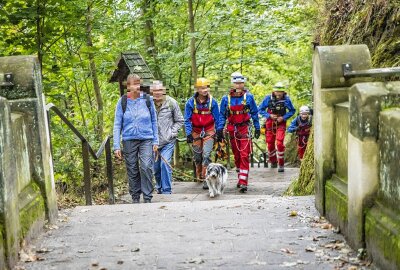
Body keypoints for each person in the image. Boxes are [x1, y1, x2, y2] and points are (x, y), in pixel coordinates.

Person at [113, 74, 159, 203]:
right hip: (128, 139)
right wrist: (116, 145)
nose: (137, 86)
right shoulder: (122, 102)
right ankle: (135, 196)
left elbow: (154, 121)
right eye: (134, 84)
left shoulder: (148, 100)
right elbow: (117, 124)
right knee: (132, 168)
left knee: (146, 166)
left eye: (138, 83)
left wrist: (156, 141)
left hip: (146, 139)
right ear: (128, 86)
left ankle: (148, 196)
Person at [217, 72, 260, 193]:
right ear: (233, 83)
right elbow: (222, 115)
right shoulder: (226, 99)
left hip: (244, 128)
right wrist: (220, 129)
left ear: (243, 83)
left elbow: (254, 113)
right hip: (232, 129)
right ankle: (240, 177)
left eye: (240, 82)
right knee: (237, 156)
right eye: (236, 82)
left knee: (244, 155)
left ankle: (243, 182)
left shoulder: (249, 97)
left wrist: (257, 127)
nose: (239, 85)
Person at [184, 78, 219, 189]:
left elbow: (217, 119)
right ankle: (199, 174)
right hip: (196, 132)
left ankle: (206, 178)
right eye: (203, 88)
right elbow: (187, 119)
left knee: (206, 154)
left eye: (207, 87)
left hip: (209, 131)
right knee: (198, 157)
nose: (205, 90)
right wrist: (189, 133)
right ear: (197, 89)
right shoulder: (190, 102)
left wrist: (218, 132)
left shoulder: (213, 102)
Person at [151, 80, 184, 194]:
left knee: (165, 164)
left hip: (168, 141)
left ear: (164, 91)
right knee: (156, 168)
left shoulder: (171, 103)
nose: (158, 93)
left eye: (160, 90)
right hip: (153, 142)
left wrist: (172, 132)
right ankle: (159, 188)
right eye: (155, 90)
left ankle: (166, 191)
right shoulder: (148, 103)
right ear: (151, 92)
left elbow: (180, 120)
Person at [258, 82, 296, 172]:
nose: (278, 93)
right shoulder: (268, 98)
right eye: (277, 91)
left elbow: (292, 110)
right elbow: (260, 109)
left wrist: (283, 117)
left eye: (280, 91)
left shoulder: (286, 100)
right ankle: (273, 161)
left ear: (283, 92)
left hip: (281, 122)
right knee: (270, 143)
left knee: (279, 142)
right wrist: (269, 116)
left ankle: (281, 164)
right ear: (273, 91)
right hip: (270, 122)